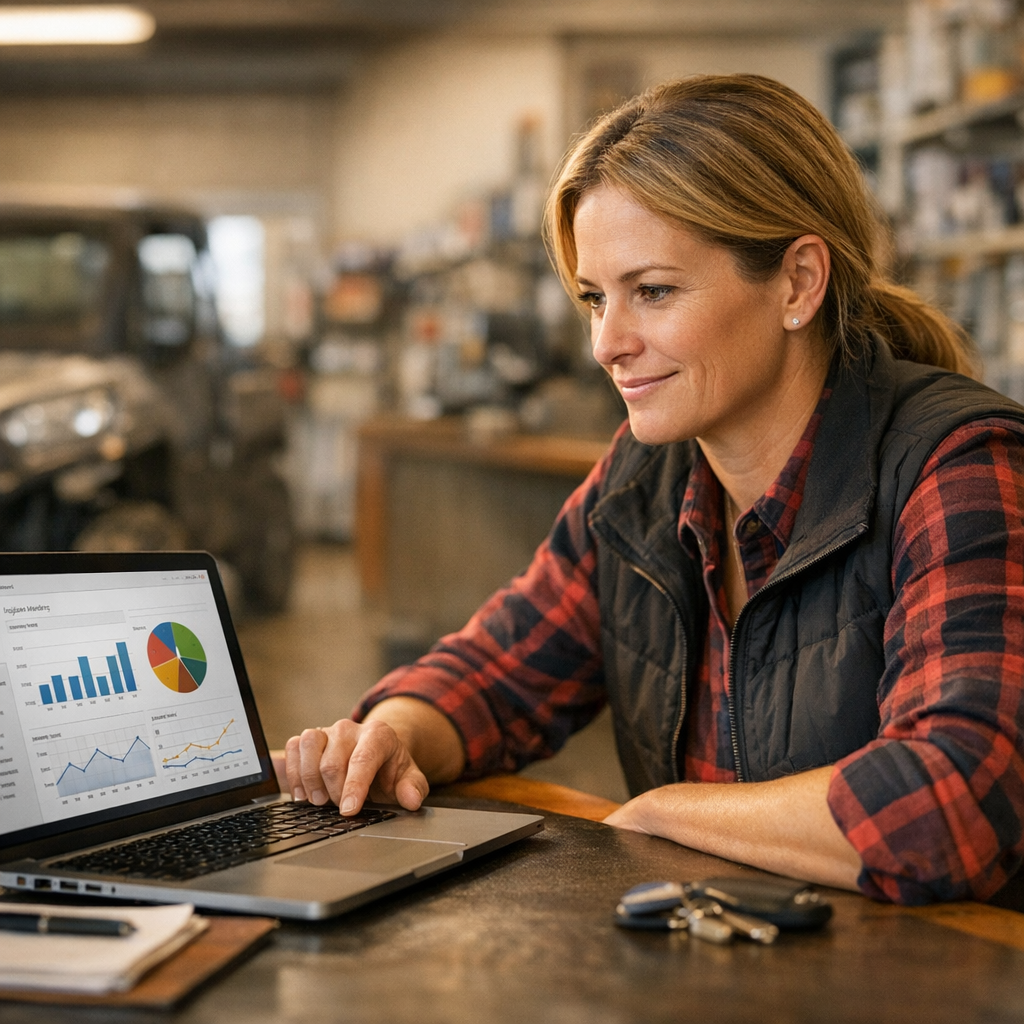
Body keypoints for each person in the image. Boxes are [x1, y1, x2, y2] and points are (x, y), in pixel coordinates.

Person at [280, 75, 1024, 904]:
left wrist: (671, 815)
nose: (607, 343)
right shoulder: (645, 480)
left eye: (655, 291)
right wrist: (395, 733)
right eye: (596, 298)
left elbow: (957, 802)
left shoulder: (958, 466)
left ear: (797, 284)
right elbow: (504, 668)